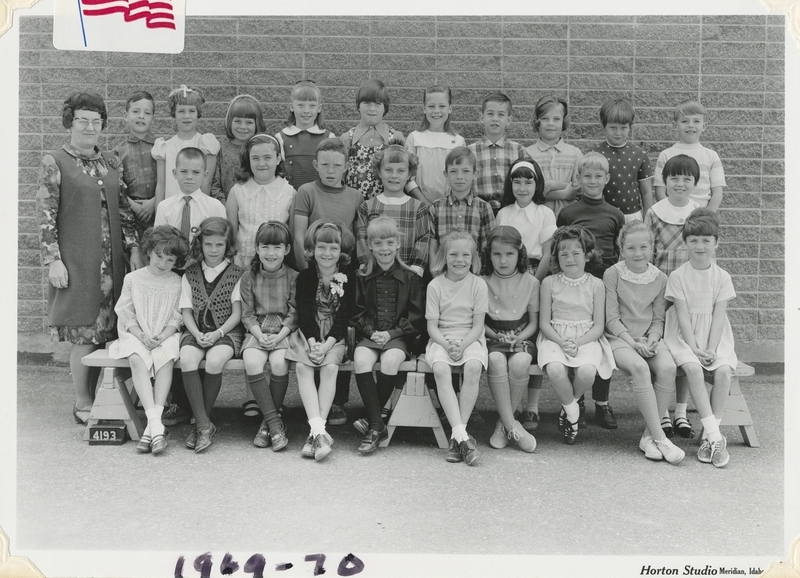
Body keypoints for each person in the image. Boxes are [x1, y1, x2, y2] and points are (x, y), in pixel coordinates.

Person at [37, 91, 143, 425]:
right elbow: (45, 214)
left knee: (110, 332)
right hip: (79, 264)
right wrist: (53, 259)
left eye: (96, 122)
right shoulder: (55, 161)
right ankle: (82, 401)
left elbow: (125, 212)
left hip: (115, 264)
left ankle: (107, 398)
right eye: (83, 120)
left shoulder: (110, 161)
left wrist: (134, 250)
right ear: (70, 122)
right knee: (85, 333)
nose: (89, 127)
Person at [292, 139, 362, 424]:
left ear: (346, 166)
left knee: (337, 326)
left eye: (337, 165)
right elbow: (298, 234)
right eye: (325, 165)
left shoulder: (355, 196)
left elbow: (357, 236)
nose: (331, 170)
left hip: (341, 266)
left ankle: (336, 402)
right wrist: (308, 269)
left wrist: (345, 268)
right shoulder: (306, 191)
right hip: (314, 265)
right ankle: (314, 406)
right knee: (313, 323)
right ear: (315, 165)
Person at [603, 221, 684, 464]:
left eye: (643, 247)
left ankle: (648, 437)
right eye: (631, 248)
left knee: (668, 368)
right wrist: (633, 343)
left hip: (648, 339)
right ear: (621, 249)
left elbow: (659, 319)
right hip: (619, 338)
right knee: (639, 368)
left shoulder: (660, 278)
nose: (637, 253)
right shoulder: (613, 274)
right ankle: (661, 439)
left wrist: (651, 340)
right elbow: (611, 319)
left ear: (652, 249)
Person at [663, 208, 737, 468]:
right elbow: (682, 316)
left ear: (716, 242)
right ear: (685, 243)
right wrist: (695, 348)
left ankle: (709, 437)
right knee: (693, 370)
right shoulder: (678, 276)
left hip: (714, 337)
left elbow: (719, 317)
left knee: (724, 373)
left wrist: (711, 349)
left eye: (706, 240)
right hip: (684, 337)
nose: (700, 245)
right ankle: (716, 437)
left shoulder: (722, 277)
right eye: (693, 240)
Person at [557, 152, 625, 429]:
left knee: (601, 341)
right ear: (578, 179)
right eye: (587, 176)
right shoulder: (568, 213)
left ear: (607, 179)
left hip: (602, 285)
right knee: (576, 337)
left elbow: (619, 253)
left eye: (599, 176)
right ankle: (578, 401)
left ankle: (602, 403)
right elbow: (561, 248)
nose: (593, 181)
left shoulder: (615, 214)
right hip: (573, 286)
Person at [109, 226, 188, 454]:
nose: (163, 263)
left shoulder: (176, 281)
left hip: (166, 332)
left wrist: (163, 335)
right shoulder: (133, 279)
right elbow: (125, 312)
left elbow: (177, 315)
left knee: (165, 357)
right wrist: (140, 334)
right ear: (149, 252)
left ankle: (151, 427)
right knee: (136, 357)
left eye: (170, 260)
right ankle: (156, 423)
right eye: (159, 256)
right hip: (135, 332)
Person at [351, 217, 425, 454]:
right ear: (370, 245)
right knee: (362, 360)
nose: (385, 248)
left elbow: (416, 318)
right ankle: (377, 425)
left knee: (391, 362)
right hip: (369, 334)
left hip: (399, 336)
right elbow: (356, 312)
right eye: (379, 243)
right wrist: (372, 333)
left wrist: (391, 333)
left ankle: (372, 423)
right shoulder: (362, 276)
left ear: (397, 245)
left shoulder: (411, 277)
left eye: (390, 242)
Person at [536, 225, 615, 445]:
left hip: (587, 336)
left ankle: (568, 406)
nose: (570, 258)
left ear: (588, 256)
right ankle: (572, 414)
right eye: (564, 254)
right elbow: (544, 322)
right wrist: (562, 342)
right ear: (557, 258)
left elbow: (598, 326)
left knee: (588, 372)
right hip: (554, 336)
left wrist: (578, 343)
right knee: (555, 369)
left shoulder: (596, 285)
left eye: (576, 253)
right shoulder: (549, 283)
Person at [285, 222, 356, 461]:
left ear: (341, 251)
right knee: (304, 367)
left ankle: (316, 431)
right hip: (308, 333)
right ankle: (319, 433)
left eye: (333, 248)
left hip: (335, 335)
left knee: (330, 367)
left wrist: (326, 346)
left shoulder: (348, 278)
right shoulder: (305, 277)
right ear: (312, 249)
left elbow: (344, 316)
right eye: (321, 247)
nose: (327, 253)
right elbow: (304, 313)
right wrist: (314, 343)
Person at [494, 158, 556, 432]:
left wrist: (534, 283)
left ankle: (532, 406)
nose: (522, 187)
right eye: (516, 181)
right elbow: (499, 249)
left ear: (536, 184)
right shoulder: (503, 212)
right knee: (509, 333)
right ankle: (513, 406)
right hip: (507, 273)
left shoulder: (545, 213)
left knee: (532, 338)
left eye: (528, 181)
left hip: (534, 274)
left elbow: (547, 253)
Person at [179, 217, 245, 453]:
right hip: (195, 330)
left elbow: (237, 314)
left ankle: (201, 423)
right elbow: (186, 311)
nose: (214, 250)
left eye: (219, 245)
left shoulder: (236, 274)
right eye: (208, 245)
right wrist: (196, 333)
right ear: (201, 245)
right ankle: (205, 425)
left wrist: (217, 333)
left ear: (227, 246)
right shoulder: (191, 274)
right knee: (187, 358)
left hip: (226, 332)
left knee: (215, 361)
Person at [426, 230, 489, 465]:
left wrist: (463, 345)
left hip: (470, 338)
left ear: (473, 258)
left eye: (465, 255)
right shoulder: (435, 286)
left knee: (473, 366)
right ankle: (462, 437)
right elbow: (432, 327)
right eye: (453, 254)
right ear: (444, 256)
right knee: (441, 369)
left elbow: (478, 325)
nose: (459, 260)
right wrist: (446, 344)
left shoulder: (478, 285)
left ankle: (456, 437)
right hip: (442, 337)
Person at [240, 221, 298, 452]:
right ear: (257, 248)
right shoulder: (249, 276)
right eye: (265, 247)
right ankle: (275, 424)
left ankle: (267, 423)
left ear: (286, 250)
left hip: (284, 330)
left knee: (279, 363)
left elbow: (294, 313)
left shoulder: (294, 276)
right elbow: (247, 314)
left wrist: (279, 335)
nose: (271, 253)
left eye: (277, 247)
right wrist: (259, 334)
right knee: (252, 361)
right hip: (258, 329)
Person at [481, 226, 538, 453]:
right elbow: (478, 321)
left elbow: (533, 322)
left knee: (520, 363)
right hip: (492, 335)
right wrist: (495, 335)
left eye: (509, 254)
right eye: (497, 254)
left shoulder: (531, 282)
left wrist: (519, 337)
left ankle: (502, 426)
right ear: (489, 255)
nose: (503, 260)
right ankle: (512, 425)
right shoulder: (481, 281)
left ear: (520, 254)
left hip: (521, 334)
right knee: (495, 360)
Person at [355, 143, 431, 277]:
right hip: (374, 274)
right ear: (379, 172)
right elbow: (362, 239)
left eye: (401, 171)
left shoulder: (418, 208)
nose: (394, 176)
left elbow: (423, 239)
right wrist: (366, 267)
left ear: (409, 174)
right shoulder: (367, 206)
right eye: (388, 170)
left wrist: (415, 271)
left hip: (408, 276)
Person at [227, 134, 296, 268]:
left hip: (275, 267)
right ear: (249, 160)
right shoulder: (237, 191)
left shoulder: (289, 193)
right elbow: (231, 235)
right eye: (255, 158)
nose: (261, 163)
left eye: (267, 158)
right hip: (242, 265)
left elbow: (291, 236)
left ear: (278, 159)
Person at [152, 85, 220, 205]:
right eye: (181, 111)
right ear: (174, 114)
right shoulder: (164, 147)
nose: (187, 116)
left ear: (198, 113)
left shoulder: (206, 145)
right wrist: (159, 220)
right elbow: (161, 186)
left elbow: (206, 183)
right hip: (170, 211)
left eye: (191, 111)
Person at [428, 147, 496, 266]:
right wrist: (436, 276)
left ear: (475, 174)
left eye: (465, 171)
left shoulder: (484, 208)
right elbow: (432, 249)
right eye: (453, 171)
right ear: (446, 174)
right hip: (443, 276)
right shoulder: (436, 208)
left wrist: (479, 277)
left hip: (474, 276)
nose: (459, 176)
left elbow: (487, 248)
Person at [653, 100, 725, 212]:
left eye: (696, 121)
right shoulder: (666, 155)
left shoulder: (711, 156)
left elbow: (717, 193)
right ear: (675, 125)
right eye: (685, 121)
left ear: (704, 126)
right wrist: (671, 212)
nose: (690, 125)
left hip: (701, 217)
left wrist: (706, 217)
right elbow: (660, 191)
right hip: (672, 216)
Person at [340, 79, 405, 200]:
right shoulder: (347, 138)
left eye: (378, 104)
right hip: (353, 205)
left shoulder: (395, 138)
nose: (372, 108)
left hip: (386, 205)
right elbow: (340, 178)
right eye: (367, 103)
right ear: (358, 106)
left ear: (385, 107)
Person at [592, 98, 654, 222]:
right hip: (603, 216)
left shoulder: (639, 154)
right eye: (613, 128)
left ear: (630, 127)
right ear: (604, 126)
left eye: (623, 128)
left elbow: (646, 191)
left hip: (633, 216)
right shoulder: (595, 153)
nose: (618, 133)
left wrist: (648, 220)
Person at [467, 92, 528, 213]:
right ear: (481, 118)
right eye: (490, 114)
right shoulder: (470, 151)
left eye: (501, 114)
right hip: (478, 210)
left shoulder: (518, 150)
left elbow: (528, 181)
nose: (495, 118)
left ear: (508, 120)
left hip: (511, 209)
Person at [404, 84, 465, 204]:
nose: (436, 111)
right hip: (419, 204)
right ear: (424, 109)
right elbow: (407, 176)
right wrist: (425, 204)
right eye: (431, 106)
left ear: (450, 109)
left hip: (450, 206)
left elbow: (461, 176)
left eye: (442, 106)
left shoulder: (458, 141)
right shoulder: (414, 138)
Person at [524, 95, 583, 218]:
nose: (550, 123)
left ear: (563, 122)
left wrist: (548, 186)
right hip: (537, 219)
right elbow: (529, 191)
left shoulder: (575, 154)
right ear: (537, 122)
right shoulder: (527, 154)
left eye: (556, 119)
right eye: (545, 118)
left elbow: (579, 189)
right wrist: (565, 193)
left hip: (569, 220)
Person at [154, 147, 227, 245]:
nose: (189, 177)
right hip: (173, 258)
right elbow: (159, 242)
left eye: (196, 172)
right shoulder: (164, 207)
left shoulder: (215, 207)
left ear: (205, 175)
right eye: (184, 171)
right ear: (175, 173)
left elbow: (221, 241)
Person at [275, 80, 336, 190]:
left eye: (312, 106)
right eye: (301, 105)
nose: (306, 111)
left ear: (319, 108)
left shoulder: (329, 138)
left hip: (318, 199)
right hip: (290, 199)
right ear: (292, 107)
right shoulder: (281, 138)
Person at [114, 90, 158, 240]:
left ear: (153, 118)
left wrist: (154, 202)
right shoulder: (117, 152)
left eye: (147, 113)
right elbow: (117, 185)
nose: (141, 116)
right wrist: (134, 206)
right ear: (126, 116)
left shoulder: (162, 147)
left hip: (159, 212)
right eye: (136, 111)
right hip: (130, 217)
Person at [211, 94, 266, 204]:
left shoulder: (262, 150)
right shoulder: (220, 150)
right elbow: (214, 185)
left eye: (249, 122)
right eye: (237, 121)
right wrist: (226, 205)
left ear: (257, 124)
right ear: (230, 121)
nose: (243, 127)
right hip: (226, 208)